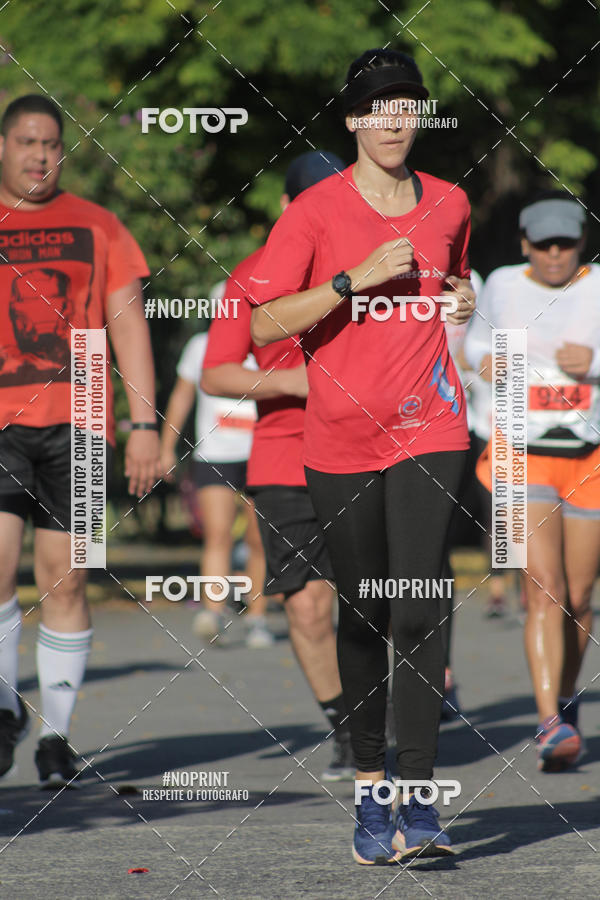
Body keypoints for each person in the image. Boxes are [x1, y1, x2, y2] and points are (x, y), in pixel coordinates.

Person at [250, 50, 475, 864]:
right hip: (338, 440)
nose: (392, 120)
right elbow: (265, 324)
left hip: (432, 426)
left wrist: (466, 296)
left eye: (407, 105)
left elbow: (456, 277)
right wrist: (352, 279)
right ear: (351, 121)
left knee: (418, 602)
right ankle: (372, 790)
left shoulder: (450, 203)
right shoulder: (312, 210)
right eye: (376, 108)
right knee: (365, 613)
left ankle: (420, 805)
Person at [0, 94, 160, 786]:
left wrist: (145, 424)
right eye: (28, 142)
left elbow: (128, 327)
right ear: (4, 147)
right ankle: (5, 711)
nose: (41, 156)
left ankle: (55, 737)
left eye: (53, 145)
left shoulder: (98, 226)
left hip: (84, 420)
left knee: (66, 583)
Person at [202, 151, 356, 781]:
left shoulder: (373, 270)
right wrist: (294, 383)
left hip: (367, 452)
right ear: (293, 208)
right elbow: (217, 372)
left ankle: (399, 705)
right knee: (307, 607)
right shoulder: (252, 275)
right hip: (284, 457)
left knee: (382, 598)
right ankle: (348, 726)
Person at [465, 190, 599, 772]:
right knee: (542, 589)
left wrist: (592, 363)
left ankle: (566, 705)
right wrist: (483, 360)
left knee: (578, 598)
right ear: (525, 245)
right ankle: (548, 722)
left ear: (580, 244)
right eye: (542, 244)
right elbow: (472, 343)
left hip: (589, 454)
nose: (553, 254)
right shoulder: (502, 284)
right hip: (519, 452)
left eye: (564, 244)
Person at [160, 285, 273, 649]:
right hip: (215, 453)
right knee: (218, 534)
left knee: (259, 540)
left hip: (262, 452)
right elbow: (182, 396)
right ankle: (213, 611)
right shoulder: (200, 346)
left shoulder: (269, 345)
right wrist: (166, 447)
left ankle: (257, 619)